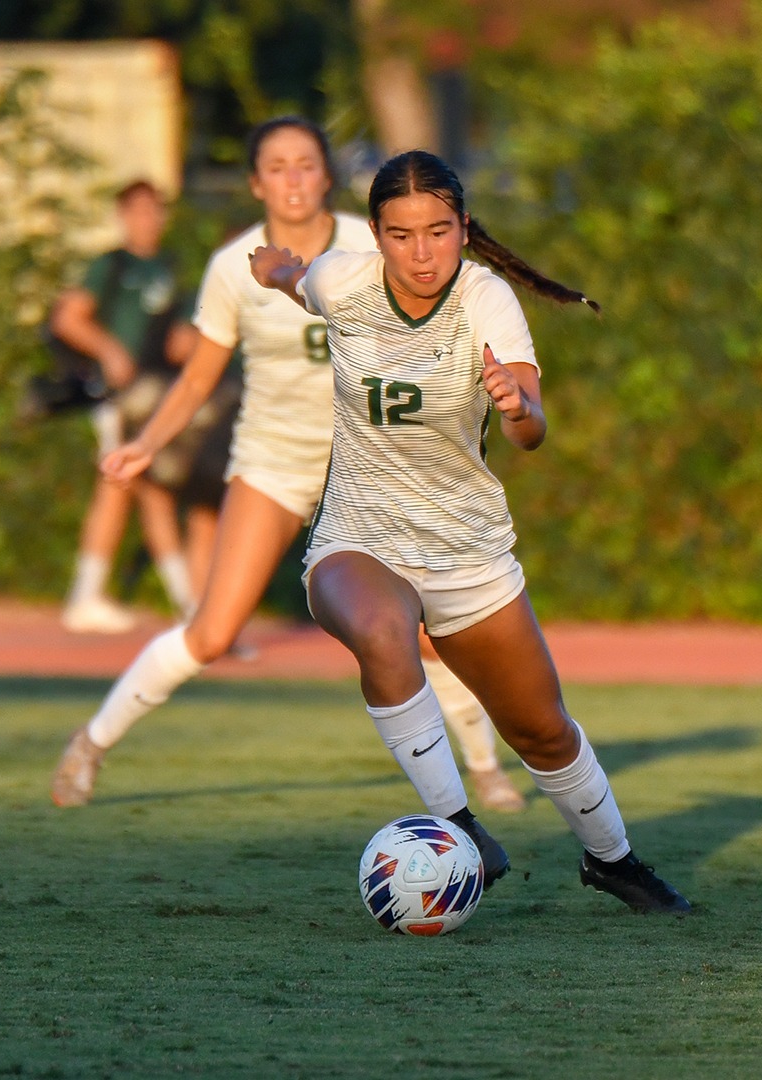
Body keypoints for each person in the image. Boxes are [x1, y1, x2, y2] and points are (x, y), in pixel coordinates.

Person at [245, 148, 690, 914]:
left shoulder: (485, 299)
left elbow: (532, 430)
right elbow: (296, 280)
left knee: (543, 733)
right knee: (384, 629)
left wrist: (518, 408)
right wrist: (276, 267)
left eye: (440, 231)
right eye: (402, 234)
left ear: (464, 228)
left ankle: (611, 861)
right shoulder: (343, 280)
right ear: (377, 236)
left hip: (465, 548)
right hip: (359, 534)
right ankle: (459, 829)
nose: (423, 252)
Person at [50, 120, 524, 815]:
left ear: (325, 176)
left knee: (423, 626)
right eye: (277, 167)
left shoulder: (373, 242)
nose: (293, 179)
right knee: (212, 633)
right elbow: (195, 380)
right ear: (255, 183)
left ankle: (484, 771)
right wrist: (147, 444)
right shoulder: (233, 264)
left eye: (306, 165)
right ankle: (90, 744)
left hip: (369, 470)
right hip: (274, 462)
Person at [53, 180, 195, 633]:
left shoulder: (171, 267)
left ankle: (186, 603)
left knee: (153, 491)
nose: (147, 220)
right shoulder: (110, 266)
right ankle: (87, 596)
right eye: (138, 211)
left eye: (154, 211)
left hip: (154, 395)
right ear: (123, 216)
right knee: (119, 484)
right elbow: (69, 317)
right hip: (117, 398)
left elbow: (178, 336)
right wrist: (110, 351)